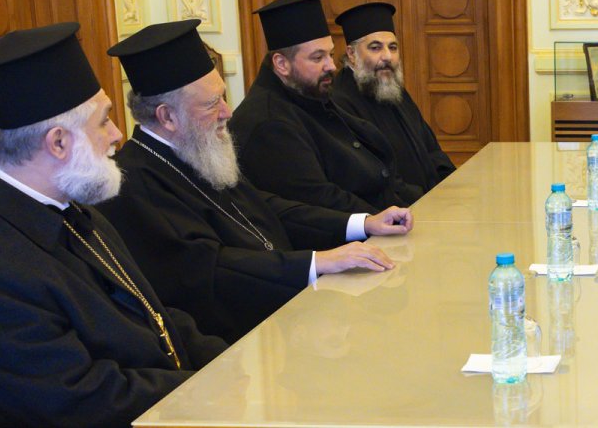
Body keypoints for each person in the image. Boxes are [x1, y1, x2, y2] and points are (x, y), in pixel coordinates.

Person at [0, 23, 227, 427]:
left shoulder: (69, 208)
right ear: (59, 142)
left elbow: (152, 314)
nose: (117, 135)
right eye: (104, 121)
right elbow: (78, 400)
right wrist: (207, 390)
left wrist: (229, 362)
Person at [103, 19, 414, 342]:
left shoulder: (197, 149)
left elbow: (266, 208)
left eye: (223, 97)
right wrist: (314, 262)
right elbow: (208, 268)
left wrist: (363, 223)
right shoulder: (132, 185)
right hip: (234, 341)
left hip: (287, 309)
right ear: (167, 116)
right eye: (212, 104)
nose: (227, 112)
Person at [230, 0, 423, 211]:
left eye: (330, 54)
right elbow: (318, 199)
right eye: (318, 58)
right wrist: (376, 220)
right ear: (282, 64)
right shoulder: (269, 122)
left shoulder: (310, 93)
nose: (331, 66)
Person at [332, 2, 456, 193]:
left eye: (393, 47)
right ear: (352, 54)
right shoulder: (340, 101)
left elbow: (432, 150)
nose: (387, 57)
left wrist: (451, 185)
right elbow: (371, 175)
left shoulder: (393, 89)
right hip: (397, 207)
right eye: (375, 48)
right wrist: (421, 199)